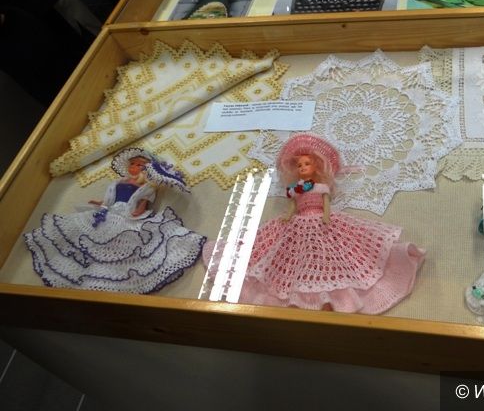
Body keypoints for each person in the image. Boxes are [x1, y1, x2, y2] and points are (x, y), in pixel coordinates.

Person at [239, 133, 425, 314]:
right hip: (298, 223)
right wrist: (288, 216)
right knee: (293, 258)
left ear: (316, 166)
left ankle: (334, 301)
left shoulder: (320, 187)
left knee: (335, 255)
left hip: (321, 220)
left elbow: (326, 204)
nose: (302, 167)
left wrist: (326, 216)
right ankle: (299, 301)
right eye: (299, 165)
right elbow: (293, 207)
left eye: (307, 163)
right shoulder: (295, 190)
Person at [24, 148, 206, 294]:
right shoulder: (119, 182)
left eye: (140, 165)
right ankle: (85, 272)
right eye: (132, 164)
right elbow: (109, 200)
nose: (135, 167)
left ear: (146, 169)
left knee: (122, 242)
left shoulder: (146, 187)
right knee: (89, 237)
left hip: (127, 215)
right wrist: (100, 203)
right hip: (107, 212)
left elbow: (142, 204)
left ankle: (107, 275)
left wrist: (139, 211)